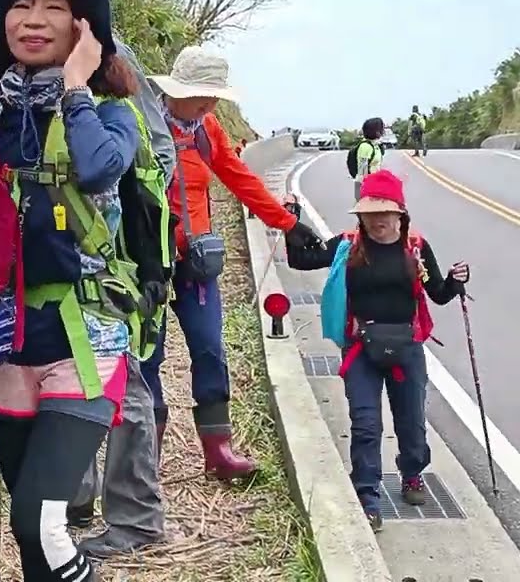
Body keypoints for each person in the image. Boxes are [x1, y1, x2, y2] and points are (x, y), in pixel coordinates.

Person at [0, 0, 159, 581]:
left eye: (53, 7)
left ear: (83, 30)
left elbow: (99, 166)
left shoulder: (111, 114)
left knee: (38, 520)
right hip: (3, 336)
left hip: (86, 337)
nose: (33, 19)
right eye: (21, 6)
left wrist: (75, 85)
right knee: (31, 525)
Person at [139, 46, 321, 480]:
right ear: (176, 89)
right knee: (147, 354)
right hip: (144, 262)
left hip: (195, 260)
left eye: (215, 95)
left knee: (209, 348)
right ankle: (143, 461)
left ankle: (218, 452)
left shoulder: (208, 129)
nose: (210, 103)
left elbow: (238, 177)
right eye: (203, 93)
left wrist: (286, 222)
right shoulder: (143, 125)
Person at [285, 170, 468, 530]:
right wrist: (291, 222)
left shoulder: (415, 247)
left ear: (400, 213)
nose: (377, 220)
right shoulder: (347, 245)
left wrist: (455, 282)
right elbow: (301, 261)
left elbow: (438, 294)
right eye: (370, 213)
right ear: (361, 215)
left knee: (412, 423)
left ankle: (412, 473)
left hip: (407, 348)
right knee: (366, 425)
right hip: (360, 349)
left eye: (385, 213)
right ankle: (368, 496)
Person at [351, 117, 385, 200]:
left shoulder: (376, 145)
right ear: (376, 131)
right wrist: (359, 196)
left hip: (375, 185)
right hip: (367, 188)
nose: (383, 131)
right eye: (382, 128)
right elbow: (362, 171)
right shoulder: (365, 147)